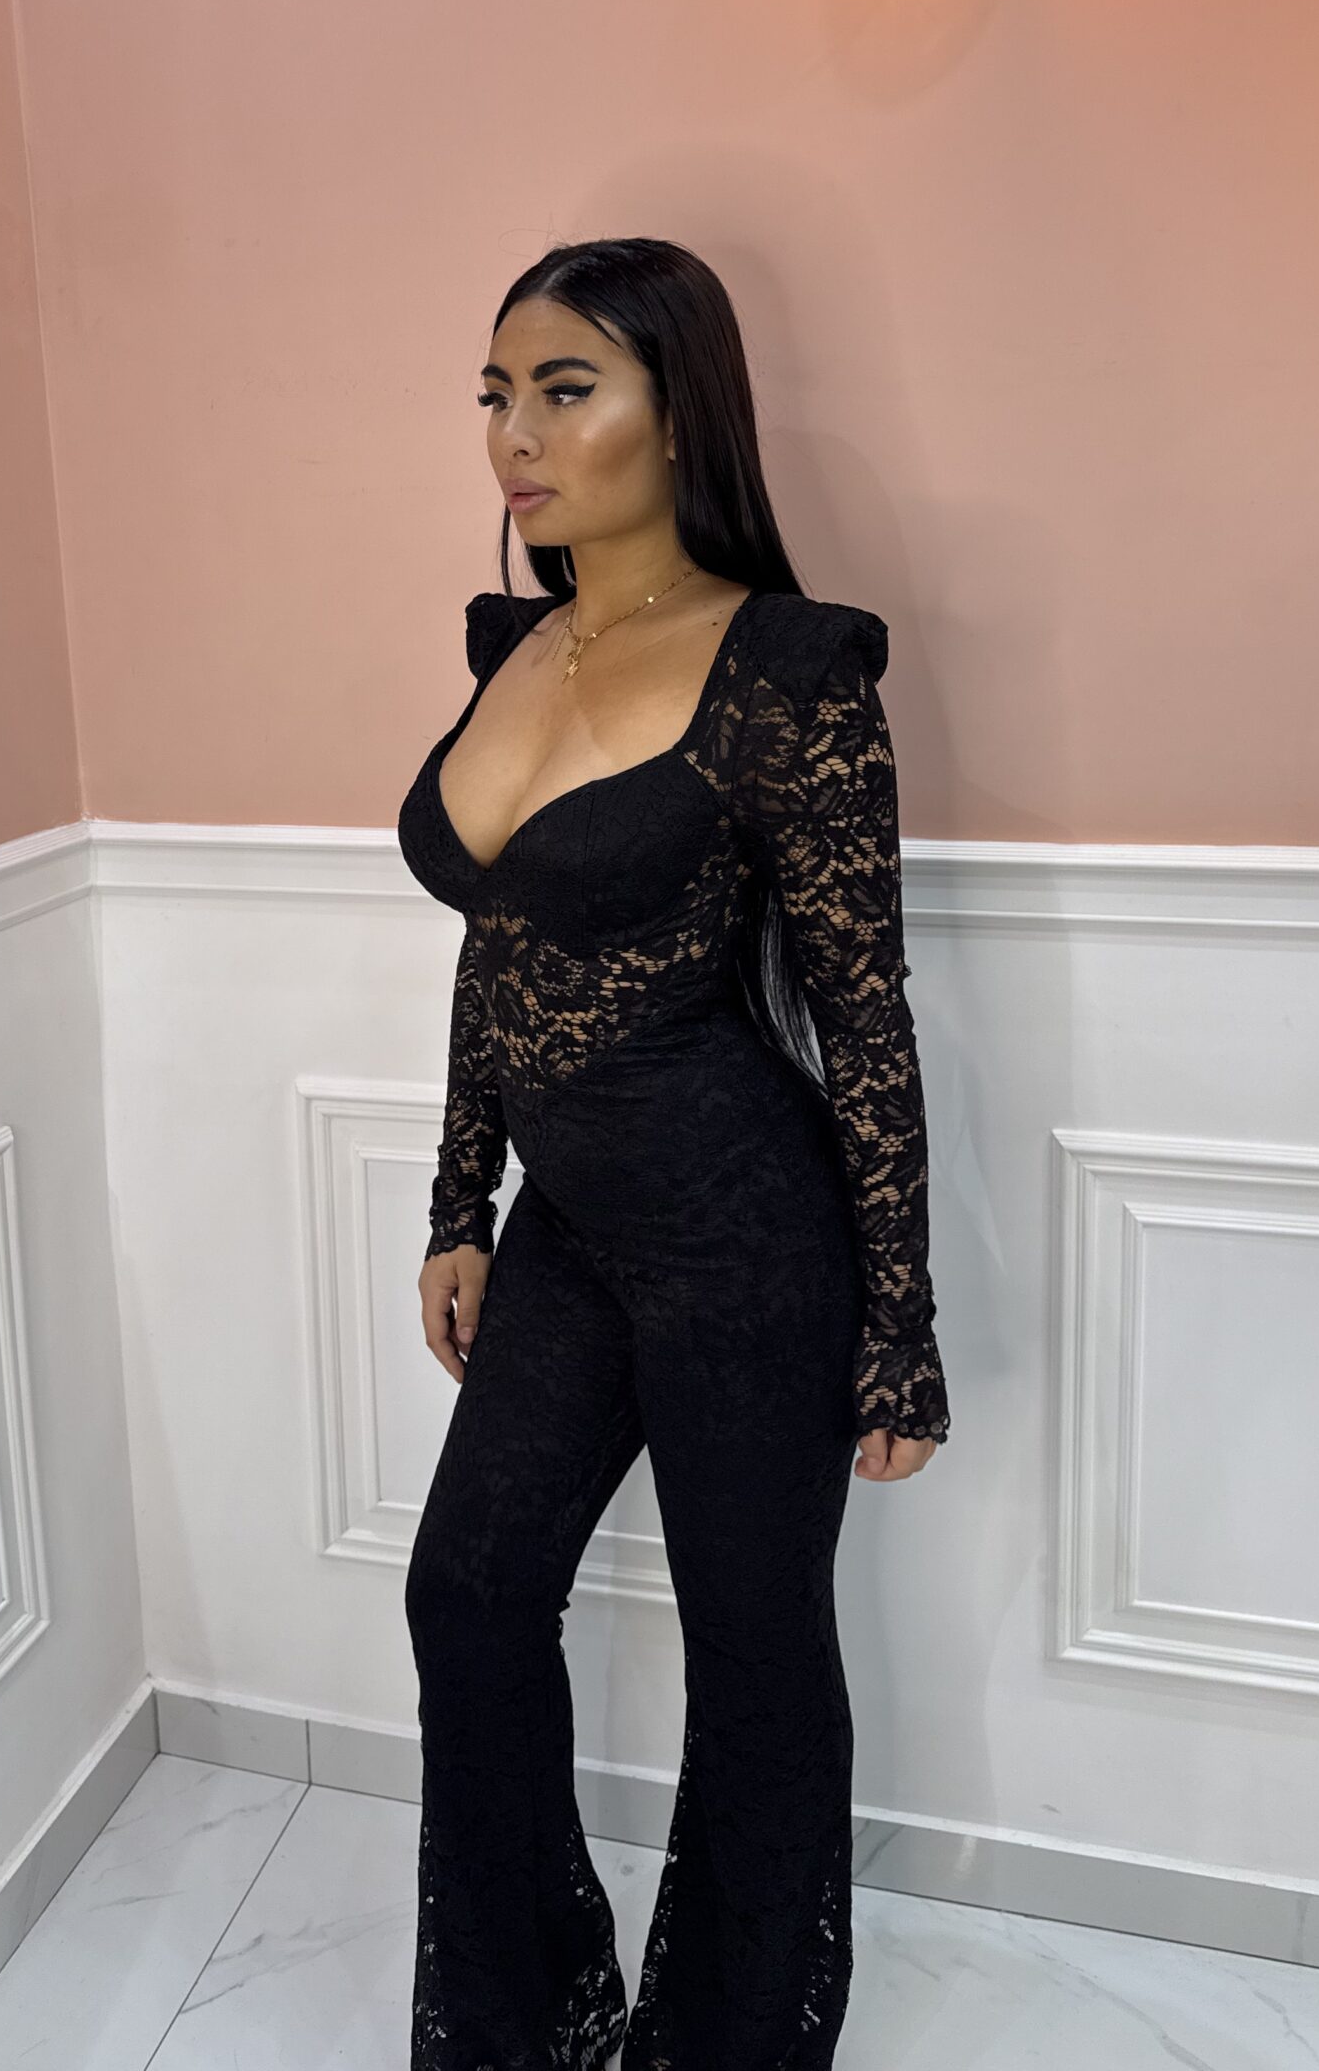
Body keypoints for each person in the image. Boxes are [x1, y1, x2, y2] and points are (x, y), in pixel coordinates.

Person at [394, 236, 951, 2071]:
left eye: (566, 390)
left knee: (757, 1663)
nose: (515, 436)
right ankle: (527, 2026)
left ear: (679, 412)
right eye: (497, 393)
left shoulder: (786, 671)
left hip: (744, 1235)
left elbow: (864, 1017)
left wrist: (899, 1325)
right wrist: (462, 1199)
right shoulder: (515, 647)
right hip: (570, 1228)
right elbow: (498, 950)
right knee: (468, 1593)